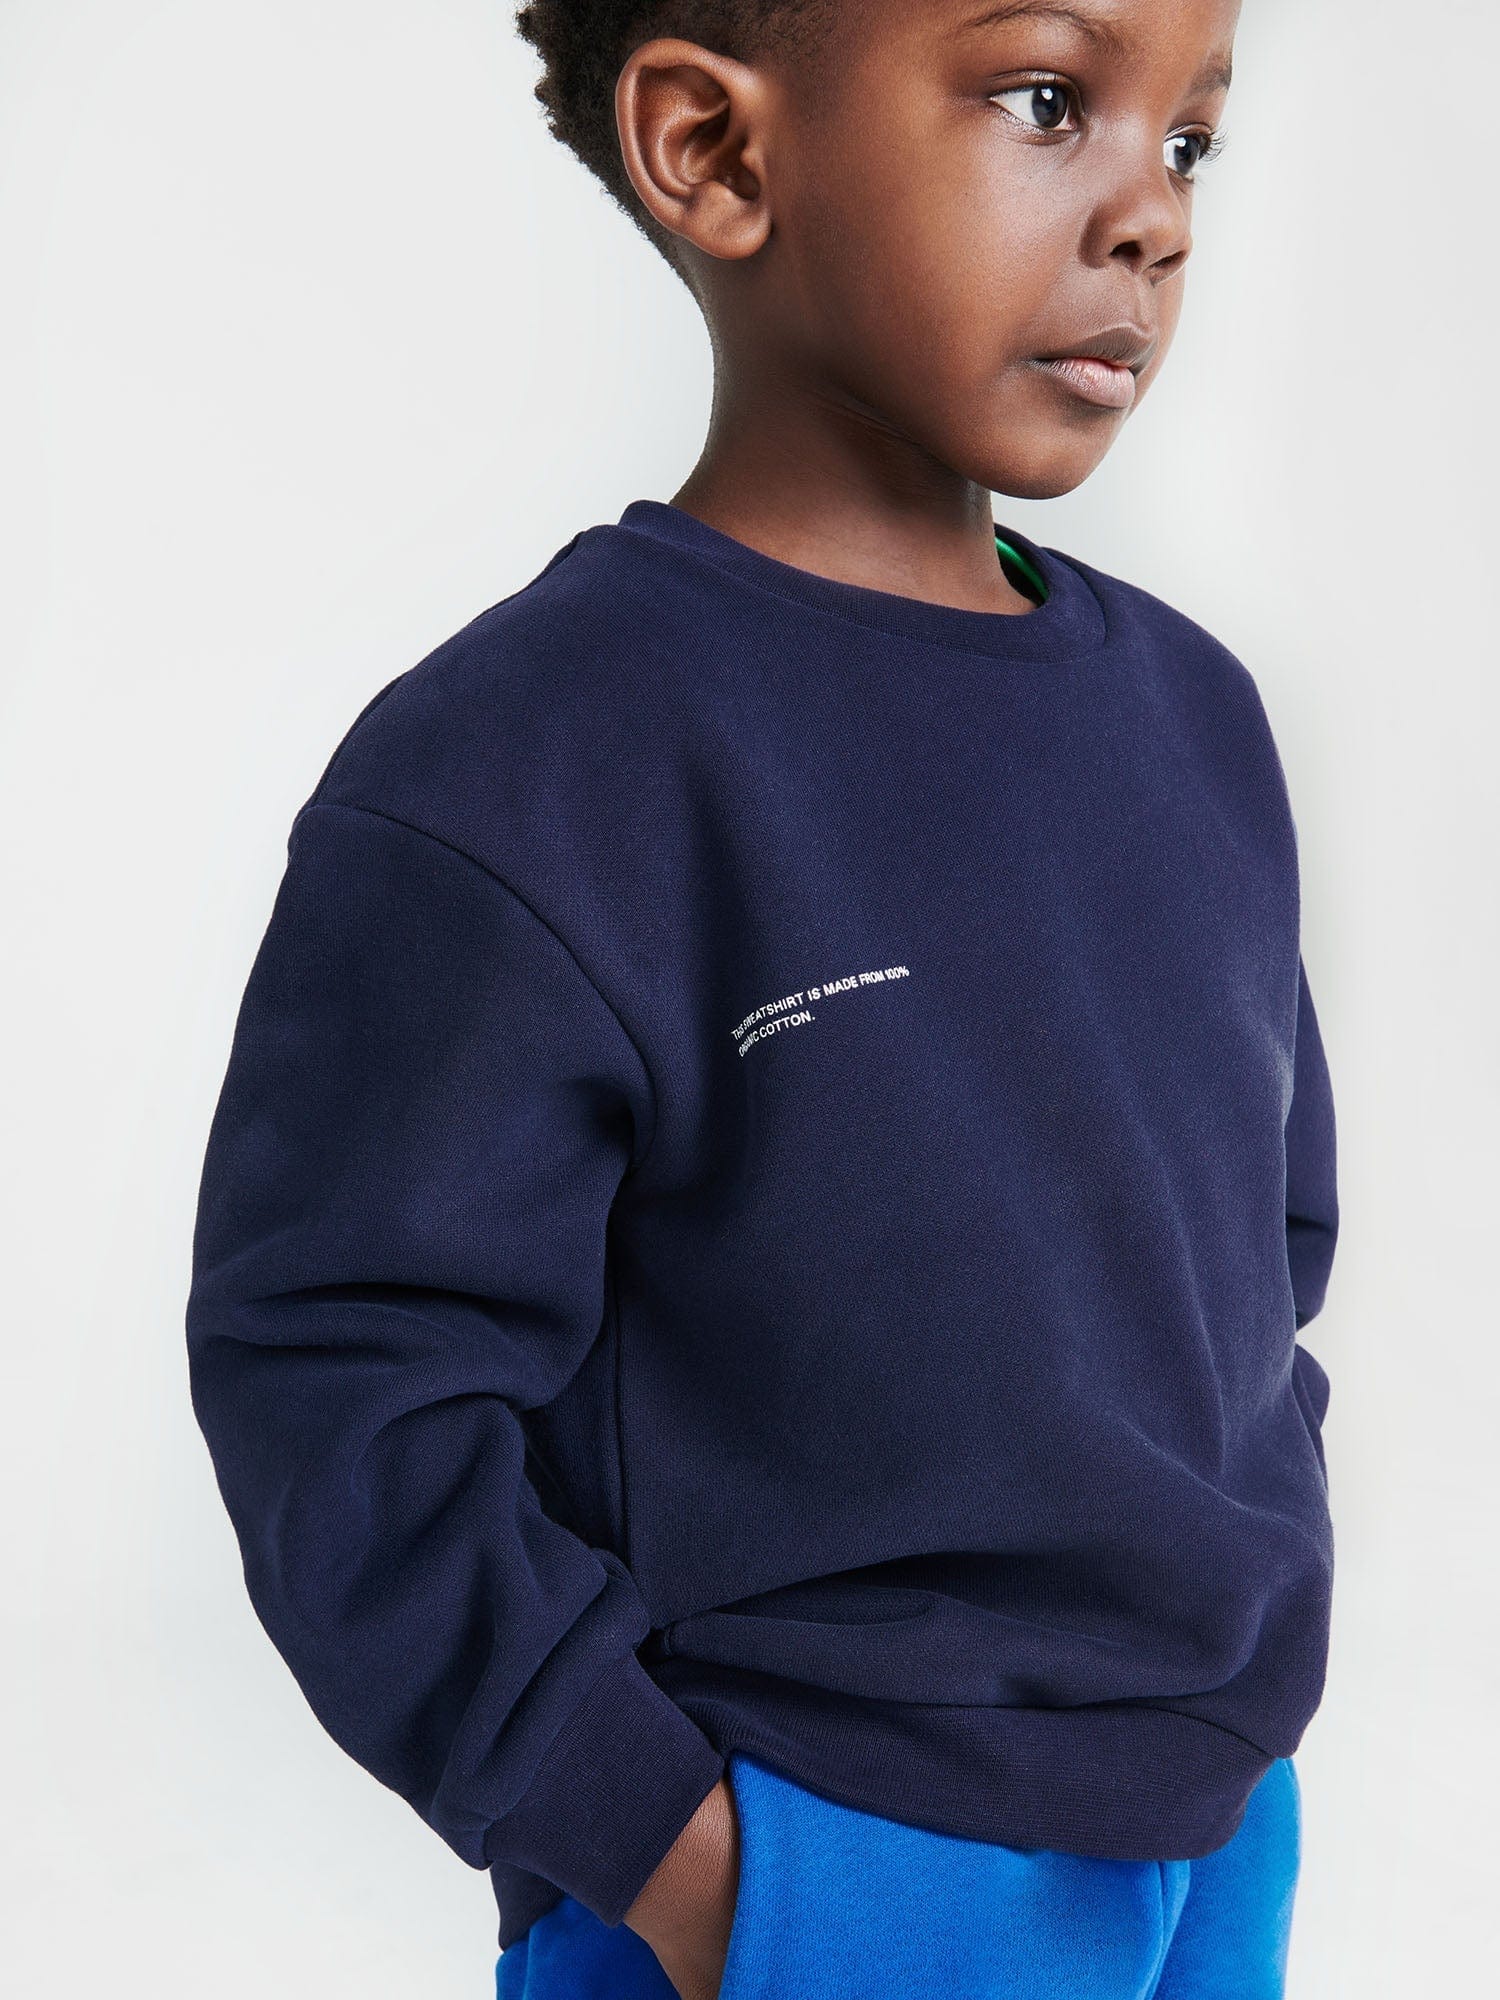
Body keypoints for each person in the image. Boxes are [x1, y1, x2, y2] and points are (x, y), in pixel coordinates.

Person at [184, 1, 1340, 1995]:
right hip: (814, 1863)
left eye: (1189, 141)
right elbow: (340, 1375)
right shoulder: (528, 763)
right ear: (715, 151)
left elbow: (1258, 1261)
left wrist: (1244, 1636)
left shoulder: (1198, 720)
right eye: (1047, 100)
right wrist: (684, 1856)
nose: (1152, 214)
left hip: (1216, 1834)